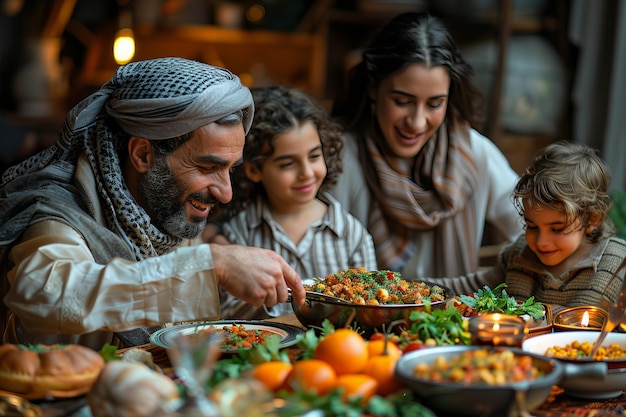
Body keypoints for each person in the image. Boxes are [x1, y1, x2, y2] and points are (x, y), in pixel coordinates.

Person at [0, 58, 305, 349]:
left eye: (230, 169)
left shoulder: (162, 204)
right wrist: (213, 265)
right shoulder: (57, 211)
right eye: (207, 167)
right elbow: (46, 295)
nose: (226, 193)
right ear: (143, 155)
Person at [330, 12, 523, 279]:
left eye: (434, 104)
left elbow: (528, 225)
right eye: (402, 101)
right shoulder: (341, 158)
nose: (417, 122)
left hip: (454, 317)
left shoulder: (474, 154)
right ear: (373, 88)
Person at [215, 86, 378, 319]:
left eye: (314, 156)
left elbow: (371, 306)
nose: (307, 173)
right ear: (253, 169)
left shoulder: (351, 235)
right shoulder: (237, 236)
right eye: (287, 164)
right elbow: (228, 315)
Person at [436, 141, 626, 309]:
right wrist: (418, 287)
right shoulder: (519, 255)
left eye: (557, 228)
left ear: (592, 219)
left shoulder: (619, 265)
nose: (541, 241)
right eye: (532, 226)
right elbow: (470, 287)